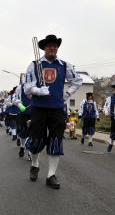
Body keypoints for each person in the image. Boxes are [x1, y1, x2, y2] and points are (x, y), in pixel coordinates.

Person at [24, 34, 82, 189]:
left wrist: (67, 94)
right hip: (39, 108)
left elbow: (78, 80)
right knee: (37, 140)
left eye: (55, 46)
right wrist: (37, 90)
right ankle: (35, 165)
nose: (52, 48)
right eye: (49, 45)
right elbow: (27, 86)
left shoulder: (64, 65)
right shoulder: (34, 65)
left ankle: (51, 175)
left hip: (57, 109)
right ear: (44, 48)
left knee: (56, 141)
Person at [15, 79, 32, 157]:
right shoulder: (20, 87)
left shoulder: (39, 84)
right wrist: (19, 104)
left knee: (33, 133)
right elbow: (16, 99)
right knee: (23, 133)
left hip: (35, 112)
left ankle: (30, 152)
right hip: (23, 113)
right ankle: (22, 146)